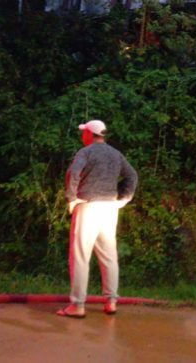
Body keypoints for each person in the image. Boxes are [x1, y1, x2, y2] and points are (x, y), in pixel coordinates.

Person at [56, 119, 138, 318]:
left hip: (88, 206)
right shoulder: (115, 154)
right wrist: (124, 199)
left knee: (81, 257)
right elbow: (132, 175)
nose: (82, 135)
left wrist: (72, 198)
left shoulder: (86, 152)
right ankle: (111, 302)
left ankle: (77, 305)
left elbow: (73, 173)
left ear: (90, 134)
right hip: (110, 209)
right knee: (109, 256)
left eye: (84, 132)